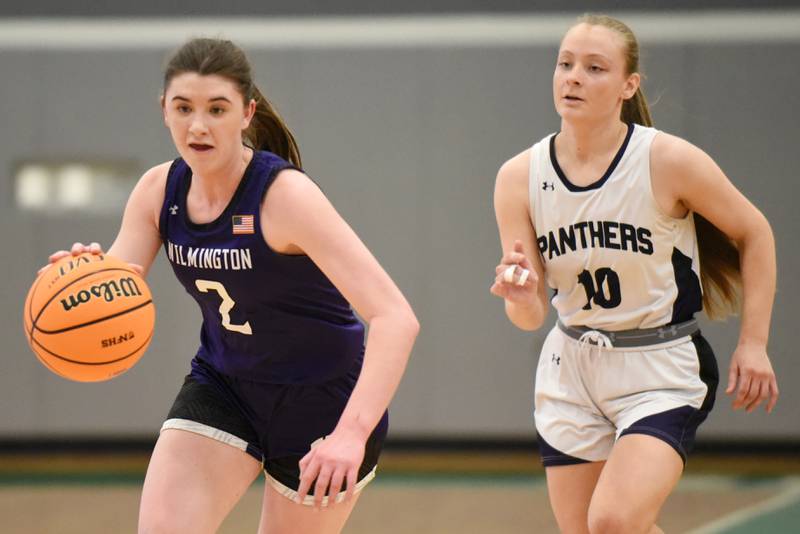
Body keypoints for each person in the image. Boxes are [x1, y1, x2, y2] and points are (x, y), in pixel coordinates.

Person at [45, 38, 419, 534]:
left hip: (324, 403)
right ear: (164, 111)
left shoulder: (284, 197)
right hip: (226, 385)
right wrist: (82, 280)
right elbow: (118, 286)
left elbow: (396, 318)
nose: (197, 125)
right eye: (183, 108)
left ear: (246, 113)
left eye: (216, 109)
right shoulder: (159, 191)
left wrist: (352, 433)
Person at [490, 14, 778, 534]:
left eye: (594, 67)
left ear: (628, 85)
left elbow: (754, 232)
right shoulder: (518, 177)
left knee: (614, 522)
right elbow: (529, 318)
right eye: (565, 63)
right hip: (571, 365)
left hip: (659, 367)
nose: (573, 77)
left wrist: (754, 343)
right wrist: (519, 294)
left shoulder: (665, 160)